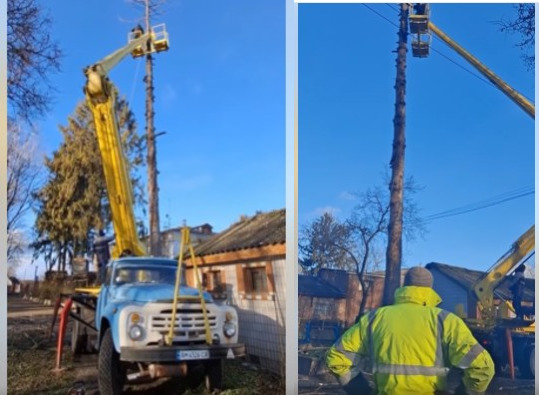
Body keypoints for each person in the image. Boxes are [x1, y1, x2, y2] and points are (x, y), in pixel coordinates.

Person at [326, 267, 494, 395]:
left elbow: (336, 357)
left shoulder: (374, 318)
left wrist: (361, 390)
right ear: (430, 289)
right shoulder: (445, 321)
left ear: (404, 287)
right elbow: (482, 367)